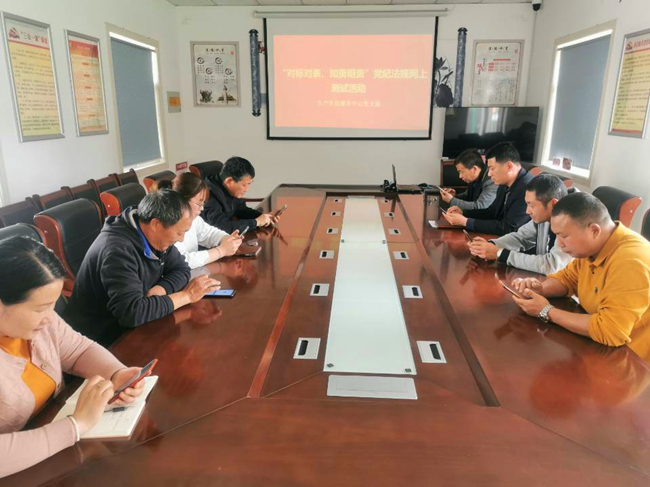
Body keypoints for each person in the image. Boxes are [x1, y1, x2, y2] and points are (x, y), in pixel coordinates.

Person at [0, 237, 145, 478]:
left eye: (53, 305)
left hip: (50, 444)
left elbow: (78, 350)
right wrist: (76, 425)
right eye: (40, 309)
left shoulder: (40, 324)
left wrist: (116, 373)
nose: (50, 318)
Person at [63, 190, 220, 346]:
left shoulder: (157, 235)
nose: (181, 239)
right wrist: (187, 296)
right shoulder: (117, 250)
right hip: (98, 339)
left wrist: (161, 289)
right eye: (179, 232)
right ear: (156, 224)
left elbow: (181, 269)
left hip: (135, 325)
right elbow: (132, 313)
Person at [511, 192, 650, 361]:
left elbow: (611, 331)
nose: (560, 244)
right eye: (557, 235)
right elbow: (567, 279)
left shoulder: (630, 261)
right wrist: (540, 288)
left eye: (564, 236)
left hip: (631, 359)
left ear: (594, 230)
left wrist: (546, 311)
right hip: (597, 345)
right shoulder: (592, 247)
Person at [468, 173, 572, 275]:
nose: (527, 211)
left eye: (531, 205)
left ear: (553, 204)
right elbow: (521, 237)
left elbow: (551, 265)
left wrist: (500, 254)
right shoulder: (544, 218)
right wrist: (490, 245)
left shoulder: (573, 224)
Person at [443, 142, 534, 236]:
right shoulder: (505, 182)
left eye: (492, 168)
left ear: (509, 166)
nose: (489, 174)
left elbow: (509, 228)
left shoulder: (528, 188)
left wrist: (466, 222)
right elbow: (491, 212)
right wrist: (464, 212)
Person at [155, 173, 243, 269]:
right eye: (199, 203)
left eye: (203, 203)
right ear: (182, 201)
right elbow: (182, 260)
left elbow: (209, 233)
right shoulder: (167, 225)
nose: (202, 208)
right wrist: (221, 251)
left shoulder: (194, 219)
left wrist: (227, 239)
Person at [202, 156, 279, 234]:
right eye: (244, 185)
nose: (247, 189)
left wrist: (263, 217)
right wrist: (256, 222)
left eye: (249, 184)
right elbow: (222, 227)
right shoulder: (208, 195)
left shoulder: (228, 188)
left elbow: (241, 210)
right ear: (229, 181)